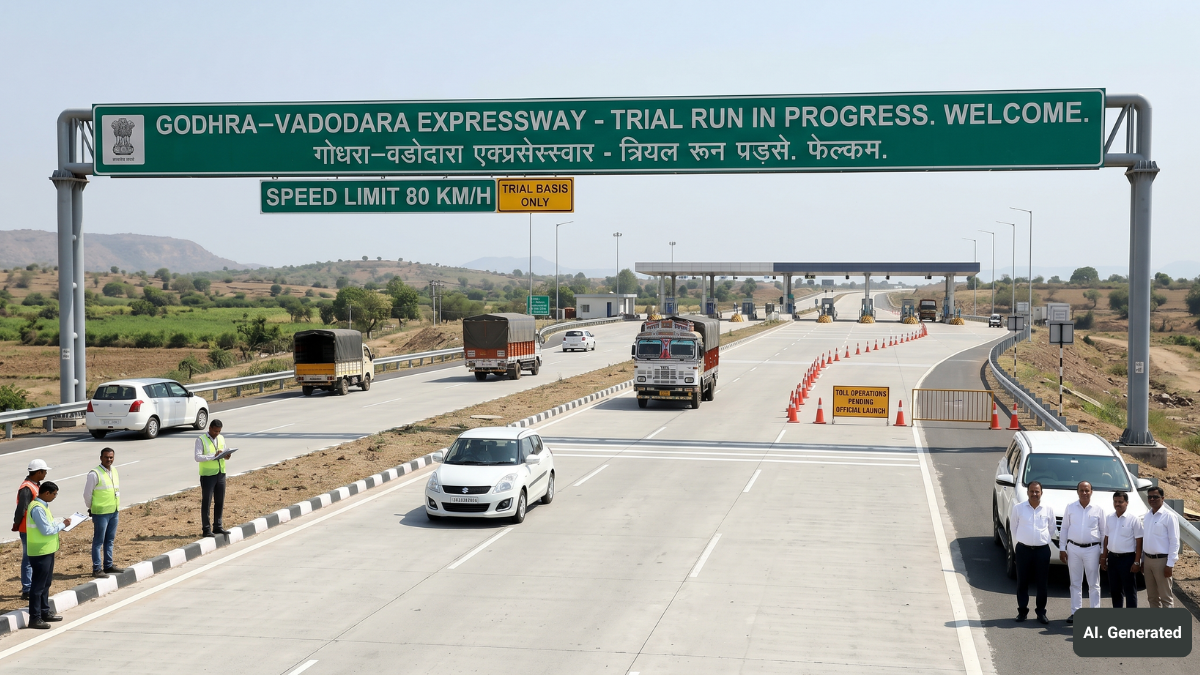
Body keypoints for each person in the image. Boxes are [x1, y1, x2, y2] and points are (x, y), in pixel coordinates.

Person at [1059, 480, 1106, 623]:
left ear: (1091, 492)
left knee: (1094, 583)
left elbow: (1104, 531)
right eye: (1082, 490)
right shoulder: (1071, 507)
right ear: (1077, 492)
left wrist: (1104, 552)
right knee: (1075, 582)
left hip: (1092, 549)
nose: (1084, 493)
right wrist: (1062, 548)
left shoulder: (1098, 509)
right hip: (1073, 549)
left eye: (1087, 490)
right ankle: (1075, 612)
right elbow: (1065, 528)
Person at [25, 480, 71, 629]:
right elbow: (46, 530)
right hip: (40, 552)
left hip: (47, 550)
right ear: (46, 493)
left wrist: (58, 523)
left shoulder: (43, 506)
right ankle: (35, 618)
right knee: (37, 587)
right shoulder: (38, 508)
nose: (54, 497)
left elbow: (48, 525)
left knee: (46, 583)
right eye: (54, 494)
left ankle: (44, 612)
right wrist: (63, 525)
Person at [1009, 480, 1054, 624]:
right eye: (1032, 491)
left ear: (1041, 493)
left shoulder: (1048, 509)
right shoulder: (1019, 508)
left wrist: (1042, 539)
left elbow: (1052, 529)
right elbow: (1013, 527)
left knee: (1042, 583)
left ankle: (1041, 612)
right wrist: (1021, 542)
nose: (1034, 494)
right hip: (1023, 550)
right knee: (1022, 582)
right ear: (1027, 492)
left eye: (1037, 491)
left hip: (1042, 551)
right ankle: (1022, 612)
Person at [83, 448, 125, 578]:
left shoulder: (114, 471)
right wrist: (91, 508)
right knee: (98, 541)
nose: (109, 460)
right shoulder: (94, 474)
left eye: (111, 457)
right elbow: (87, 494)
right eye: (106, 457)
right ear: (101, 458)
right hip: (101, 513)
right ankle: (97, 568)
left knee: (110, 540)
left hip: (113, 511)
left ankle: (108, 565)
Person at [12, 459, 49, 602]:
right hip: (28, 530)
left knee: (35, 558)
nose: (46, 473)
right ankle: (27, 589)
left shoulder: (35, 485)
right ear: (38, 472)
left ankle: (32, 586)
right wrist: (16, 523)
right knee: (28, 559)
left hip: (34, 529)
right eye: (44, 471)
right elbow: (22, 508)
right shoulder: (27, 488)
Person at [1100, 491, 1143, 608]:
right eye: (1115, 501)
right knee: (1115, 590)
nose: (1117, 504)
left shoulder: (1134, 519)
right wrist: (1103, 557)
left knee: (1130, 590)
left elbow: (1139, 543)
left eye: (1120, 502)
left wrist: (1136, 561)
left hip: (1127, 559)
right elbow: (1106, 539)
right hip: (1113, 558)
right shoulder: (1109, 518)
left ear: (1126, 503)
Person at [1141, 486, 1180, 608]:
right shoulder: (1147, 516)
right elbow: (1145, 539)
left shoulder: (1169, 516)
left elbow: (1174, 541)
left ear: (1162, 498)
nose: (1152, 499)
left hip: (1162, 561)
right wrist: (1143, 560)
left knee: (1165, 598)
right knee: (1152, 597)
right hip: (1148, 561)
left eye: (1155, 497)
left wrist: (1170, 564)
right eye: (1150, 497)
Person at [194, 419, 233, 537]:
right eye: (215, 431)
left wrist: (227, 455)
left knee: (219, 501)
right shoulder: (200, 440)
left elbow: (224, 453)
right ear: (210, 428)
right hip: (208, 475)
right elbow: (197, 457)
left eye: (219, 431)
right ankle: (206, 529)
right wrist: (213, 456)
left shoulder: (221, 438)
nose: (217, 433)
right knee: (207, 502)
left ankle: (218, 526)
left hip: (221, 473)